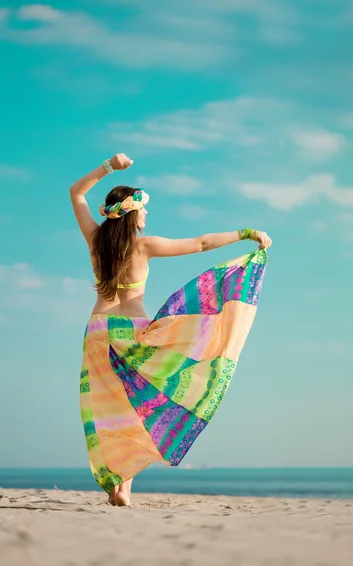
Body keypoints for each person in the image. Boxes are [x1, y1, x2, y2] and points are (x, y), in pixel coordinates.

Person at [70, 153, 272, 507]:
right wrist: (245, 233)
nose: (147, 215)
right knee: (139, 408)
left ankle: (117, 486)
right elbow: (201, 244)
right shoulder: (143, 246)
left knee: (108, 409)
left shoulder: (95, 241)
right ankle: (124, 489)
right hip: (132, 333)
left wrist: (108, 166)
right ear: (132, 211)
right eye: (144, 209)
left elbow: (76, 193)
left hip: (98, 330)